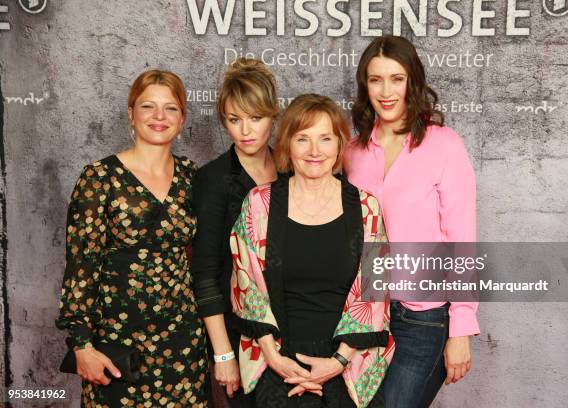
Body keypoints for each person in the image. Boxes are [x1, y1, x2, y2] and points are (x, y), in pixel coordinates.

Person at [229, 94, 394, 408]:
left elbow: (375, 290)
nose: (315, 151)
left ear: (339, 145)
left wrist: (338, 361)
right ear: (288, 144)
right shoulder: (259, 203)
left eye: (325, 139)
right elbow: (246, 283)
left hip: (347, 362)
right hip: (278, 359)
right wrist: (273, 356)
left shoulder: (366, 207)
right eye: (303, 139)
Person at [56, 70, 209, 407]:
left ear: (182, 117)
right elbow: (81, 267)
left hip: (183, 346)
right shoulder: (100, 177)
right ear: (131, 113)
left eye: (170, 108)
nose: (159, 117)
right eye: (148, 106)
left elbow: (205, 260)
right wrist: (82, 346)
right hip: (116, 347)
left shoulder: (192, 177)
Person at [343, 35, 480, 407]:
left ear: (412, 82)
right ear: (364, 85)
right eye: (375, 79)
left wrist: (461, 329)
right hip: (367, 313)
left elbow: (462, 240)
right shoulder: (350, 153)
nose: (386, 91)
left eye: (396, 78)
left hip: (423, 318)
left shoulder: (444, 145)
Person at [191, 58, 278, 407]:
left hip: (294, 330)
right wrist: (223, 354)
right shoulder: (213, 180)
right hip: (239, 335)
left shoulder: (293, 168)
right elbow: (206, 273)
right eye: (234, 119)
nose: (246, 130)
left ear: (273, 115)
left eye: (255, 118)